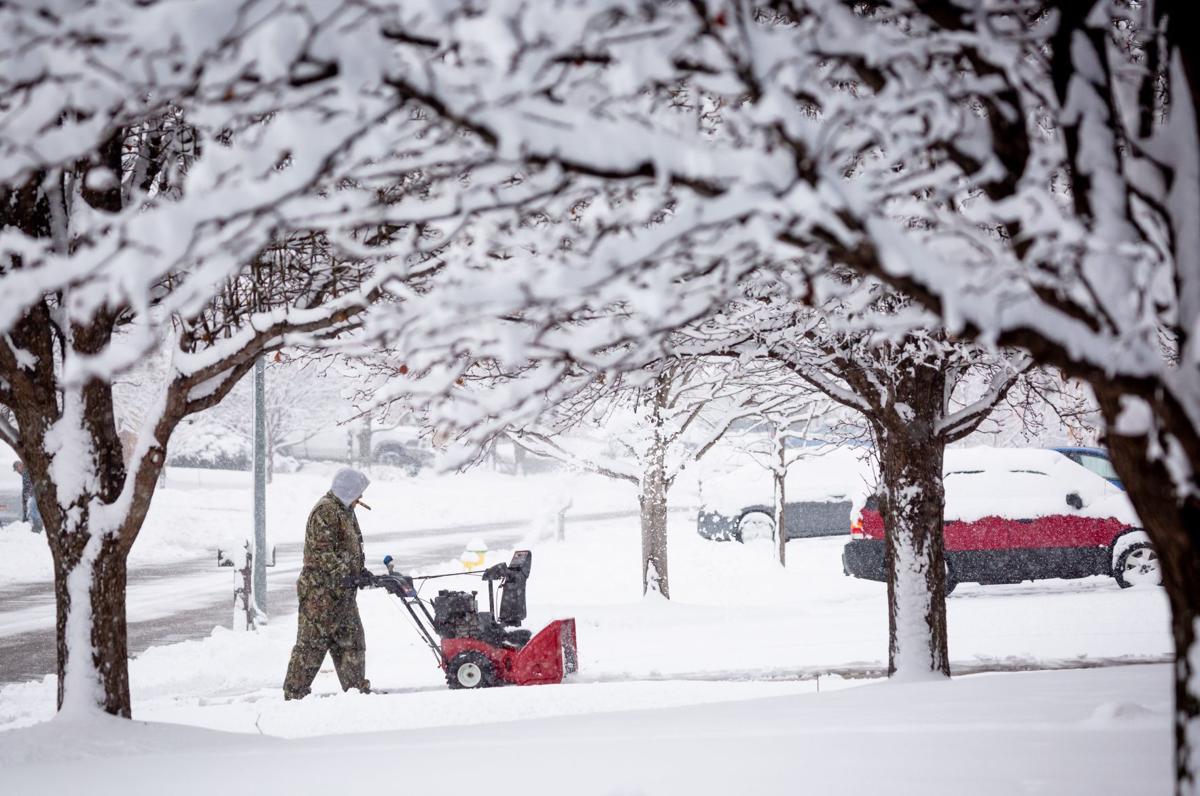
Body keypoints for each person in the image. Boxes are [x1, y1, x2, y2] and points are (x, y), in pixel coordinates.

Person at [283, 467, 373, 699]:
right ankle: (294, 695)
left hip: (342, 594)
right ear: (348, 490)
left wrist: (361, 572)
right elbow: (322, 554)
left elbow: (347, 549)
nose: (360, 498)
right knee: (311, 646)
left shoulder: (345, 511)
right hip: (320, 596)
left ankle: (355, 691)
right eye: (357, 493)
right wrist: (347, 574)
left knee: (352, 641)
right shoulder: (326, 511)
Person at [12, 460, 41, 533]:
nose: (18, 472)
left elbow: (28, 485)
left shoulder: (26, 472)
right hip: (34, 493)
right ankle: (36, 526)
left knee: (33, 508)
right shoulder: (25, 472)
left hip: (36, 492)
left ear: (20, 465)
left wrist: (28, 495)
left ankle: (37, 527)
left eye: (17, 469)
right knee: (32, 508)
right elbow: (26, 487)